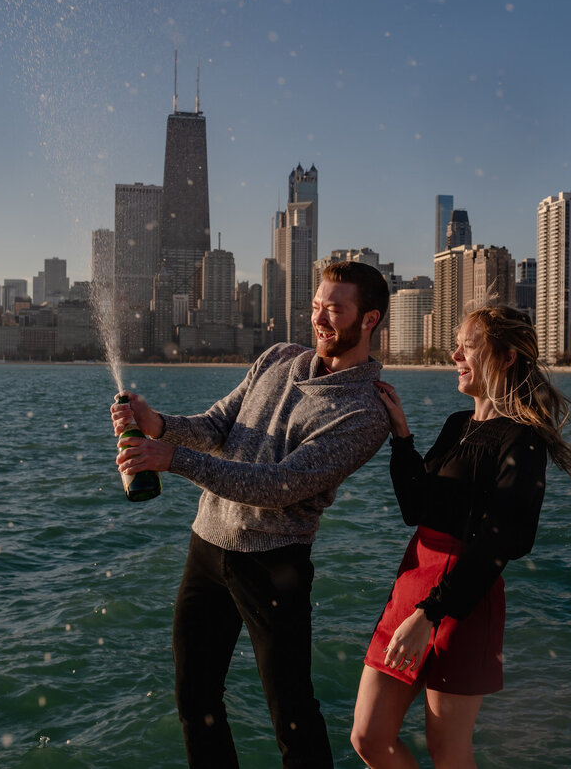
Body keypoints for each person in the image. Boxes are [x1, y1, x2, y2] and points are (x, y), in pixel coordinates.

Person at [112, 261, 392, 769]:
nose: (320, 319)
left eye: (334, 309)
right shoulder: (279, 356)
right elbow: (218, 425)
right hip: (207, 546)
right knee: (194, 698)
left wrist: (172, 459)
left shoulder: (365, 412)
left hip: (274, 565)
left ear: (369, 319)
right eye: (316, 307)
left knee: (292, 716)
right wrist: (159, 426)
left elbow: (278, 487)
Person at [350, 304, 571, 768]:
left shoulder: (523, 440)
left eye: (467, 346)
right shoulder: (458, 424)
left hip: (463, 605)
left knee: (447, 750)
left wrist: (431, 614)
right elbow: (416, 508)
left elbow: (504, 541)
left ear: (506, 356)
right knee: (369, 737)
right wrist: (401, 437)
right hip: (411, 587)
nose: (454, 354)